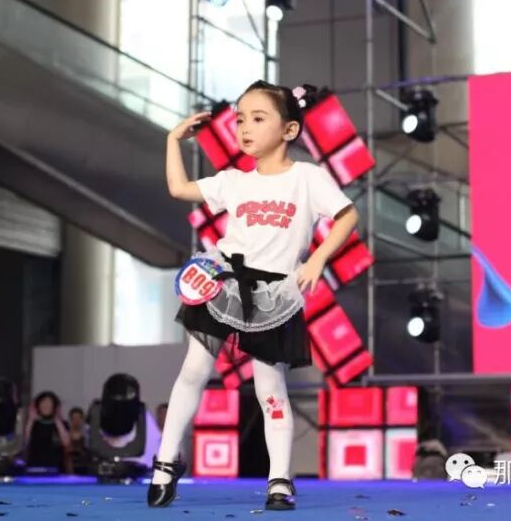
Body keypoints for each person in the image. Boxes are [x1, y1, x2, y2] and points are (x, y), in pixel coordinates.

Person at [151, 81, 359, 510]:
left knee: (270, 388)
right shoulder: (234, 181)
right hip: (223, 283)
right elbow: (178, 189)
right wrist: (173, 139)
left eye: (258, 119)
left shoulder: (307, 177)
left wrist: (317, 260)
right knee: (193, 370)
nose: (245, 128)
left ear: (289, 130)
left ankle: (279, 480)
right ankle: (166, 462)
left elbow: (347, 215)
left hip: (274, 295)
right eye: (240, 119)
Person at [24, 391, 71, 471]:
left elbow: (66, 443)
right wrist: (31, 420)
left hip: (56, 467)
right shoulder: (33, 423)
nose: (46, 406)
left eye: (49, 403)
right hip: (35, 466)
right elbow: (25, 441)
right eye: (43, 403)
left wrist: (57, 420)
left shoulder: (62, 424)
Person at [66, 406, 91, 474]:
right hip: (69, 466)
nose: (76, 421)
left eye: (78, 418)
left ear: (82, 419)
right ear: (70, 420)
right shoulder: (66, 432)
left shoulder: (88, 433)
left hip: (86, 465)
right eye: (74, 418)